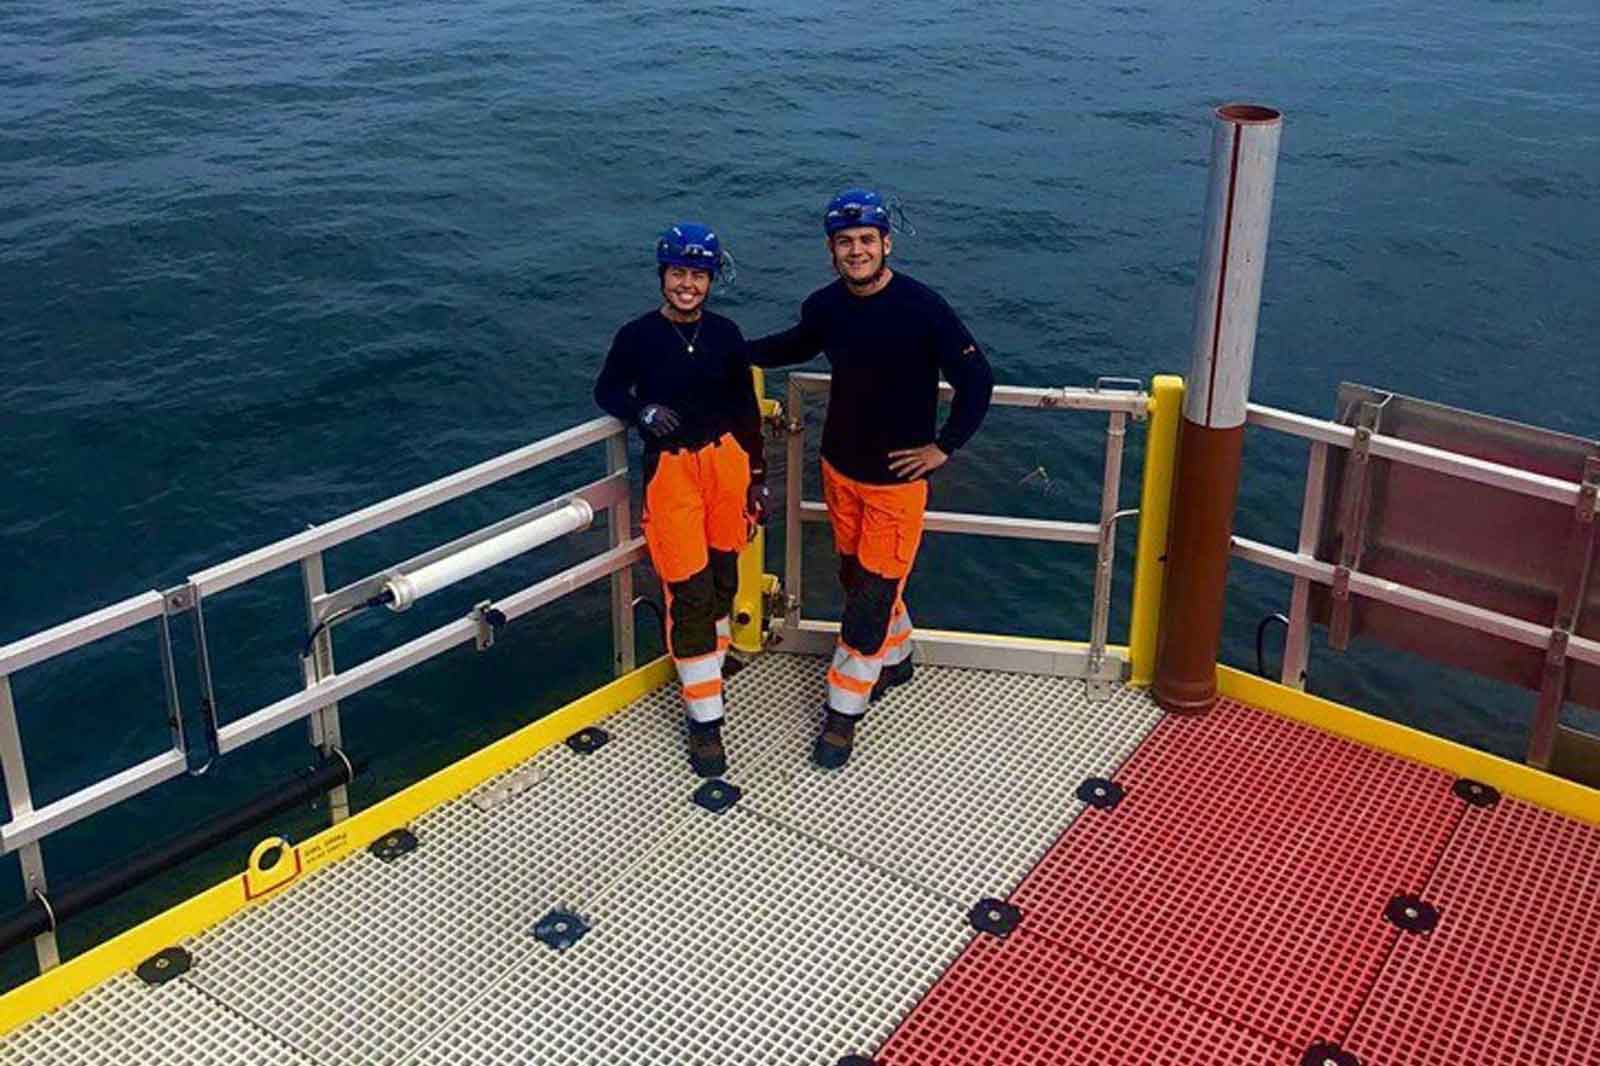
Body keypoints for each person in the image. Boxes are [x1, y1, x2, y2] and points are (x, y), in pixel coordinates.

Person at [751, 188, 993, 769]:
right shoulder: (826, 307)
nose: (855, 251)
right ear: (831, 250)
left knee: (867, 602)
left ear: (886, 243)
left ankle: (842, 715)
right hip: (839, 470)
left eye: (865, 240)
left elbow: (976, 380)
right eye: (844, 242)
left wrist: (945, 447)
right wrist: (722, 351)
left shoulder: (924, 308)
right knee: (855, 574)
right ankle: (899, 656)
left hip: (896, 485)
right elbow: (794, 344)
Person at [594, 223, 768, 778]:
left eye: (698, 275)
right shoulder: (638, 335)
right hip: (671, 473)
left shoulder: (726, 334)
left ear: (711, 279)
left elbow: (745, 407)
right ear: (662, 276)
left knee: (723, 581)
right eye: (678, 274)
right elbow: (608, 389)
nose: (687, 285)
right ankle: (705, 722)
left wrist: (757, 475)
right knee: (688, 590)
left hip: (727, 464)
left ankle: (710, 669)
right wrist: (640, 413)